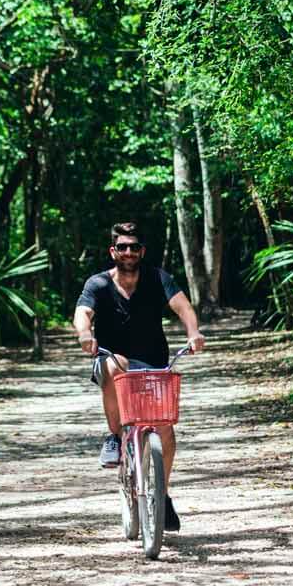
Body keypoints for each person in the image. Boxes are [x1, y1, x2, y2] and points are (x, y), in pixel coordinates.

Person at [74, 221, 205, 532]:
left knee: (166, 431)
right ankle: (115, 436)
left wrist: (194, 332)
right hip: (111, 358)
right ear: (113, 251)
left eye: (134, 247)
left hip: (153, 363)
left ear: (142, 251)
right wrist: (84, 335)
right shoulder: (98, 284)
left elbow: (183, 307)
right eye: (122, 247)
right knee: (113, 364)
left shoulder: (158, 278)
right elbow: (83, 313)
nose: (128, 252)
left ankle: (163, 494)